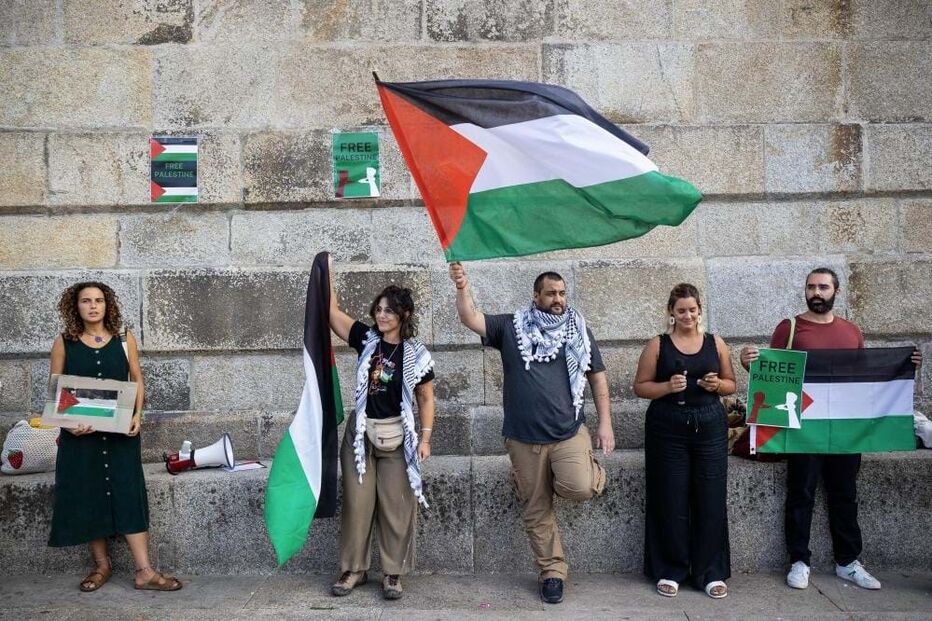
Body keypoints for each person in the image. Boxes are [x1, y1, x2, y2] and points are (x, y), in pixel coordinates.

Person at [740, 267, 922, 591]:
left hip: (845, 431)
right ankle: (799, 560)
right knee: (801, 494)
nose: (816, 292)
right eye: (811, 287)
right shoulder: (790, 328)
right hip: (803, 429)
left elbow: (866, 381)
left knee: (845, 496)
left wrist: (906, 366)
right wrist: (746, 360)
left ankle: (848, 562)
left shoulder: (851, 331)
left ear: (836, 291)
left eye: (823, 287)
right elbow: (771, 371)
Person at [449, 263, 614, 604]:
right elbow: (471, 318)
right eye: (551, 293)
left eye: (562, 293)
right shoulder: (511, 327)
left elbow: (597, 376)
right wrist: (462, 286)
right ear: (536, 296)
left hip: (568, 432)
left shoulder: (578, 329)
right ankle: (552, 572)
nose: (558, 299)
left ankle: (585, 470)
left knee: (579, 486)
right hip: (523, 438)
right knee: (536, 507)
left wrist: (606, 424)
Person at [48, 282, 182, 592]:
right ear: (76, 306)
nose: (93, 306)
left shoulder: (123, 338)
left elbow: (136, 377)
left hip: (121, 433)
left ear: (107, 305)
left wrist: (137, 415)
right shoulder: (64, 343)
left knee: (128, 494)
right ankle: (101, 566)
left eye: (98, 300)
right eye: (86, 301)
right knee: (90, 494)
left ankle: (144, 571)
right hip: (80, 438)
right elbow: (56, 390)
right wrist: (68, 425)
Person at [328, 272, 435, 601]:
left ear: (403, 315)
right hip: (360, 437)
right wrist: (326, 270)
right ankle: (354, 570)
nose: (381, 315)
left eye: (388, 310)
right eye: (378, 309)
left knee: (396, 506)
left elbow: (426, 398)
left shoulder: (416, 355)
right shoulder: (365, 339)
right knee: (357, 506)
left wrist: (426, 438)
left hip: (397, 438)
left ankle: (392, 574)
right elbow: (331, 313)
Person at [633, 283, 736, 599]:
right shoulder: (658, 345)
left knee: (710, 497)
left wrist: (717, 384)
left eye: (692, 309)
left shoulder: (715, 343)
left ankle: (710, 572)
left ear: (700, 310)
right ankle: (671, 569)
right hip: (667, 429)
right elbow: (640, 387)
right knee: (670, 498)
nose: (687, 315)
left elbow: (732, 385)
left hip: (709, 427)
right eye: (681, 310)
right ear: (671, 313)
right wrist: (666, 387)